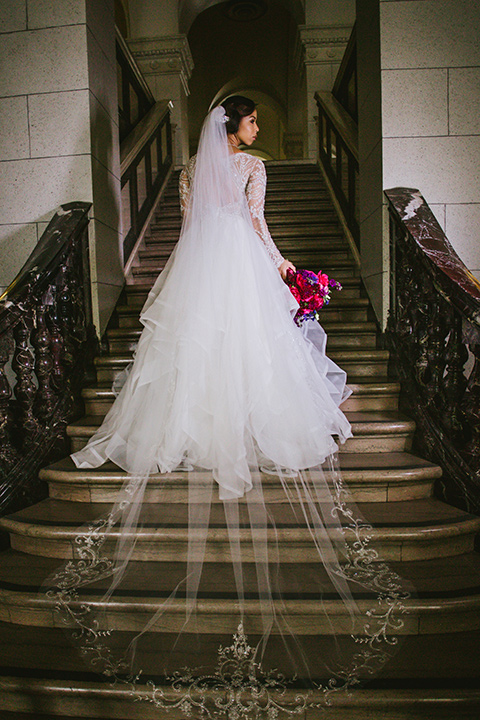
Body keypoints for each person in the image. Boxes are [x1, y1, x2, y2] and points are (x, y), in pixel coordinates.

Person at [47, 97, 410, 716]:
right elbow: (259, 227)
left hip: (202, 271)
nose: (258, 129)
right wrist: (281, 263)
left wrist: (185, 280)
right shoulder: (253, 170)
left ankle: (197, 428)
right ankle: (247, 426)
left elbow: (189, 232)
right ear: (235, 127)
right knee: (256, 354)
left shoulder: (189, 172)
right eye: (253, 122)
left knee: (201, 353)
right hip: (240, 268)